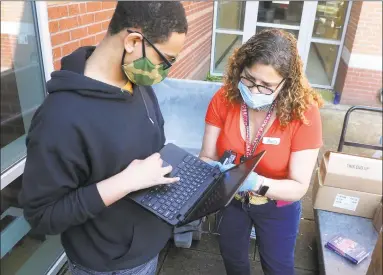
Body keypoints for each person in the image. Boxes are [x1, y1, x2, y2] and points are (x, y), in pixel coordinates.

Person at [19, 2, 187, 274]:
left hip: (148, 245)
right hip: (109, 265)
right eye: (165, 59)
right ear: (133, 41)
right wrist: (125, 182)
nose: (165, 70)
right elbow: (41, 216)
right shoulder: (59, 119)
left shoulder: (137, 83)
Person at [199, 29, 323, 275]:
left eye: (267, 86)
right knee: (233, 260)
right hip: (231, 199)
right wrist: (209, 170)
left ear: (286, 83)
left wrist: (257, 183)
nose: (255, 90)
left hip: (277, 206)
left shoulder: (304, 113)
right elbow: (206, 156)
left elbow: (298, 187)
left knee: (278, 267)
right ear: (239, 69)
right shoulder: (224, 99)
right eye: (248, 79)